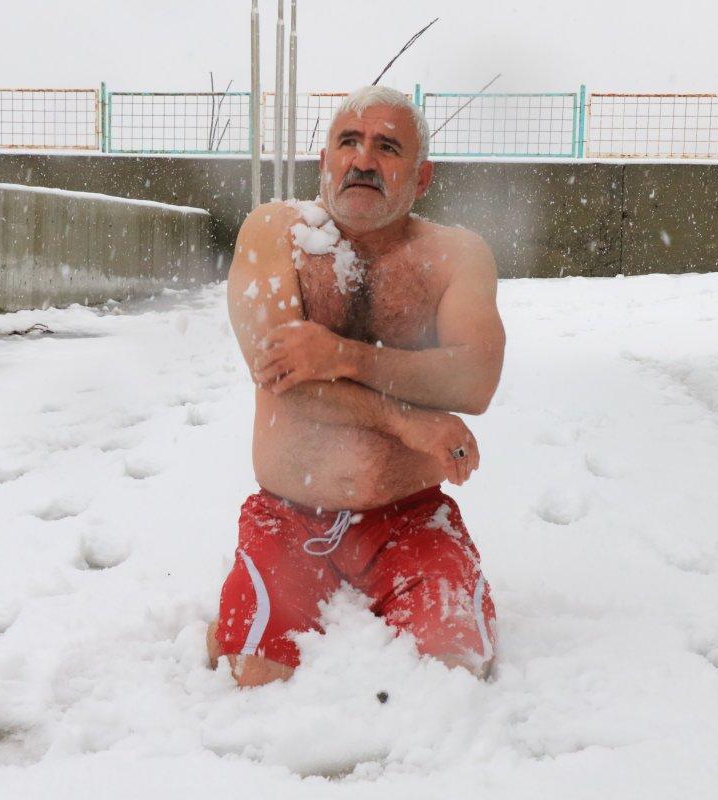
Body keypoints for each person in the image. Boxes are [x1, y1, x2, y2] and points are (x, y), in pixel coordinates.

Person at [207, 85, 506, 687]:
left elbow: (475, 379)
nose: (364, 159)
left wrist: (341, 355)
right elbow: (280, 373)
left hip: (412, 518)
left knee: (456, 673)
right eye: (349, 141)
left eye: (387, 147)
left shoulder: (455, 256)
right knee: (253, 676)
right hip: (287, 517)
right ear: (325, 161)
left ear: (421, 178)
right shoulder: (274, 232)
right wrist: (406, 420)